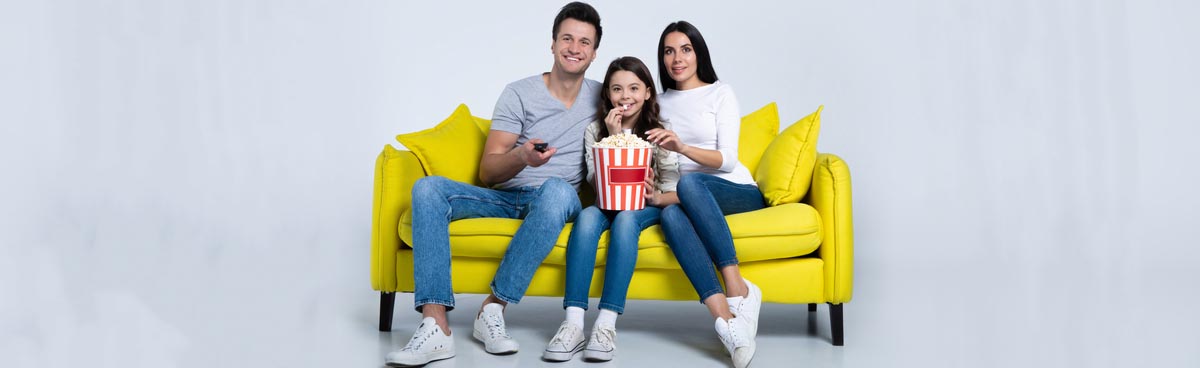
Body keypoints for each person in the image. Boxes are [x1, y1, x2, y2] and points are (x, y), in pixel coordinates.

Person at [385, 2, 603, 367]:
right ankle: (435, 326)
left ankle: (493, 309)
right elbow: (488, 173)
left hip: (555, 199)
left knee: (556, 190)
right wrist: (523, 157)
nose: (574, 48)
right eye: (567, 38)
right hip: (504, 197)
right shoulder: (520, 92)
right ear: (552, 44)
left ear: (594, 53)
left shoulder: (601, 97)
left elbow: (640, 108)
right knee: (427, 190)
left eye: (584, 42)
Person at [542, 56, 680, 363]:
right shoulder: (595, 130)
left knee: (627, 220)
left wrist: (655, 191)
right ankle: (573, 323)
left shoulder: (659, 130)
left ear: (647, 92)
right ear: (608, 95)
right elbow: (595, 180)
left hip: (644, 207)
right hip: (606, 203)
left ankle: (605, 325)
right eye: (617, 89)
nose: (625, 96)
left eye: (633, 87)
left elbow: (673, 185)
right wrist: (612, 137)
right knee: (588, 217)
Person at [645, 21, 764, 368]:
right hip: (685, 195)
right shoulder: (659, 102)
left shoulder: (720, 93)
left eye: (685, 49)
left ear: (698, 53)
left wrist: (683, 146)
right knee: (669, 213)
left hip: (736, 191)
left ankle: (737, 286)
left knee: (690, 183)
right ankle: (726, 321)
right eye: (669, 51)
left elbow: (727, 159)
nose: (677, 58)